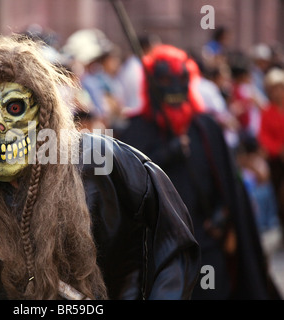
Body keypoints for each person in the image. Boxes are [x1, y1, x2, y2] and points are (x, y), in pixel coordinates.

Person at [0, 35, 200, 300]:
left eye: (15, 108)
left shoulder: (101, 163)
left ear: (44, 115)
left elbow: (172, 244)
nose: (0, 126)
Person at [118, 44, 280, 300]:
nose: (173, 87)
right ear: (152, 84)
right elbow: (128, 192)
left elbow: (231, 186)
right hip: (160, 255)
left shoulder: (207, 128)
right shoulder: (135, 134)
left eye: (180, 79)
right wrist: (164, 155)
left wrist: (223, 217)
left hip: (208, 246)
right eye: (164, 79)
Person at [258, 67, 284, 236]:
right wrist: (278, 150)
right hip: (277, 163)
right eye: (273, 89)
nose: (277, 92)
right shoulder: (267, 112)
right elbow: (264, 137)